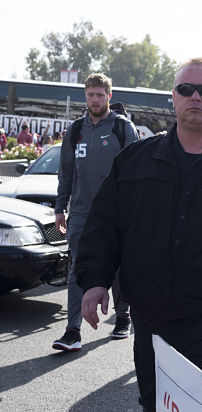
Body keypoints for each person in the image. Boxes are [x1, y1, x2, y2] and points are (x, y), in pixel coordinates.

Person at [75, 58, 202, 412]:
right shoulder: (135, 162)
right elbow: (104, 225)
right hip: (150, 323)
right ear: (174, 98)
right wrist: (95, 281)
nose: (195, 97)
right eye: (186, 90)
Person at [51, 73, 139, 352]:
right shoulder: (75, 130)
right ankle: (72, 331)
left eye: (100, 95)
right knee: (79, 267)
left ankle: (122, 316)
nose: (95, 99)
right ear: (85, 96)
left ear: (109, 97)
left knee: (117, 267)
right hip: (80, 213)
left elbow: (136, 174)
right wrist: (59, 208)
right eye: (91, 95)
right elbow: (66, 172)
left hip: (116, 214)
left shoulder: (123, 128)